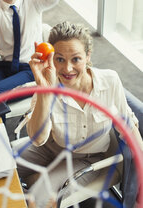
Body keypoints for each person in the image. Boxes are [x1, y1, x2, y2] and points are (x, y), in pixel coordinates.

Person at [16, 22, 143, 207]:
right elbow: (38, 139)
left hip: (86, 157)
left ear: (87, 56)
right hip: (50, 146)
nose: (67, 69)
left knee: (38, 200)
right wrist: (46, 91)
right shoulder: (47, 84)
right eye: (59, 59)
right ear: (51, 59)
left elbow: (129, 129)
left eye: (76, 59)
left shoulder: (110, 81)